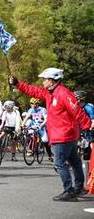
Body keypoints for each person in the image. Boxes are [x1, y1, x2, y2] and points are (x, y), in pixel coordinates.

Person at [9, 67, 92, 201]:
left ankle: (69, 191)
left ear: (52, 81)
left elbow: (76, 110)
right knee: (75, 162)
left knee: (59, 163)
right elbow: (33, 90)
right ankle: (78, 188)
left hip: (63, 135)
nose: (42, 82)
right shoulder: (50, 93)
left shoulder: (63, 93)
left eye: (44, 79)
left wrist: (87, 125)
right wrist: (18, 84)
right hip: (66, 135)